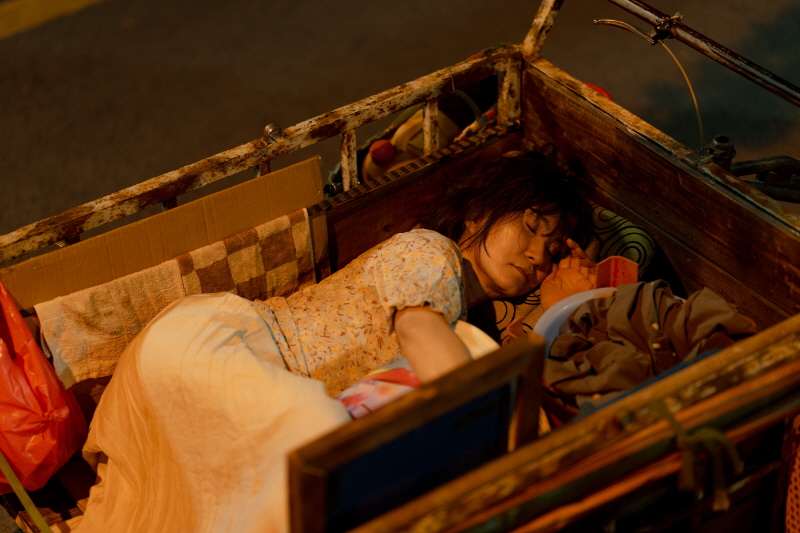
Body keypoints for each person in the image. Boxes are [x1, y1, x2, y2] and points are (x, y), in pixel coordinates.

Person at [75, 151, 596, 533]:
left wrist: (557, 309)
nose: (538, 256)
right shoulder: (430, 253)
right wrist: (500, 445)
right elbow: (424, 336)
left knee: (315, 472)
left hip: (230, 391)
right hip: (216, 350)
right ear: (478, 214)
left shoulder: (464, 322)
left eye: (552, 252)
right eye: (531, 227)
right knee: (320, 446)